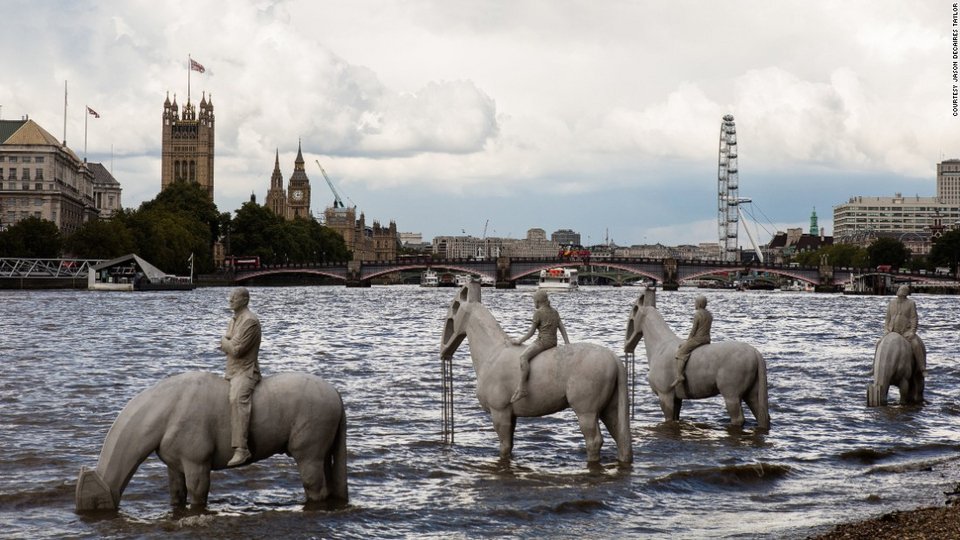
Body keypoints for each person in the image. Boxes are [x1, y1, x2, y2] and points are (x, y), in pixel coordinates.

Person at [220, 287, 262, 467]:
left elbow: (236, 350)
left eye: (234, 297)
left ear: (245, 300)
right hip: (231, 371)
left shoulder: (250, 321)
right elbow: (229, 346)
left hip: (245, 371)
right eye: (230, 297)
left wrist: (224, 341)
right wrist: (227, 343)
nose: (230, 300)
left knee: (237, 399)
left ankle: (242, 448)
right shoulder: (234, 320)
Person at [510, 290, 570, 403]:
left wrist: (519, 341)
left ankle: (522, 388)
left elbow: (531, 332)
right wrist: (567, 343)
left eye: (534, 301)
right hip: (553, 342)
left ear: (537, 301)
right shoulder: (554, 312)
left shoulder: (538, 313)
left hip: (543, 342)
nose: (534, 303)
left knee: (523, 357)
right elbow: (562, 328)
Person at [671, 295, 712, 390]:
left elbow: (693, 330)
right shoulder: (709, 314)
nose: (695, 304)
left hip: (698, 339)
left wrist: (687, 342)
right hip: (707, 339)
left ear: (699, 304)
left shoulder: (698, 314)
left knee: (681, 352)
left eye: (696, 302)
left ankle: (679, 375)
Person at [884, 284, 926, 375]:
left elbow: (914, 318)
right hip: (892, 331)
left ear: (906, 293)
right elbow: (887, 318)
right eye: (900, 290)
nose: (900, 292)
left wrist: (912, 331)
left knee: (916, 344)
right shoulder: (891, 303)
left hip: (905, 332)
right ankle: (874, 368)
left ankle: (922, 367)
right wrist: (886, 329)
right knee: (878, 344)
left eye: (903, 290)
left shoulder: (911, 303)